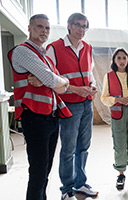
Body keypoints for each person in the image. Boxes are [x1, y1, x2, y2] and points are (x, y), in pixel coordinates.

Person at [7, 14, 72, 200]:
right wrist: (55, 81)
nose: (44, 31)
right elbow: (53, 80)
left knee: (45, 170)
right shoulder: (23, 51)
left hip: (51, 117)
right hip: (35, 117)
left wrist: (59, 81)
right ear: (29, 28)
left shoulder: (45, 58)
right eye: (39, 26)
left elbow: (62, 85)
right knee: (38, 171)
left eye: (47, 28)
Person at [46, 13, 98, 200]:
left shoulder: (88, 47)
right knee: (68, 149)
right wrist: (76, 90)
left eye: (85, 26)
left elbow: (89, 74)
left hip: (87, 104)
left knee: (84, 147)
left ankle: (80, 183)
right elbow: (51, 80)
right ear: (69, 25)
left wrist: (91, 87)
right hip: (68, 104)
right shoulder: (54, 48)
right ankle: (66, 189)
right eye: (77, 25)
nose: (81, 30)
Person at [101, 48, 128, 190]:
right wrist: (117, 99)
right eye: (118, 58)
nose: (121, 61)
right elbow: (104, 98)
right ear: (114, 60)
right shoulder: (108, 76)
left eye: (124, 58)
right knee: (119, 144)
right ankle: (121, 174)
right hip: (118, 114)